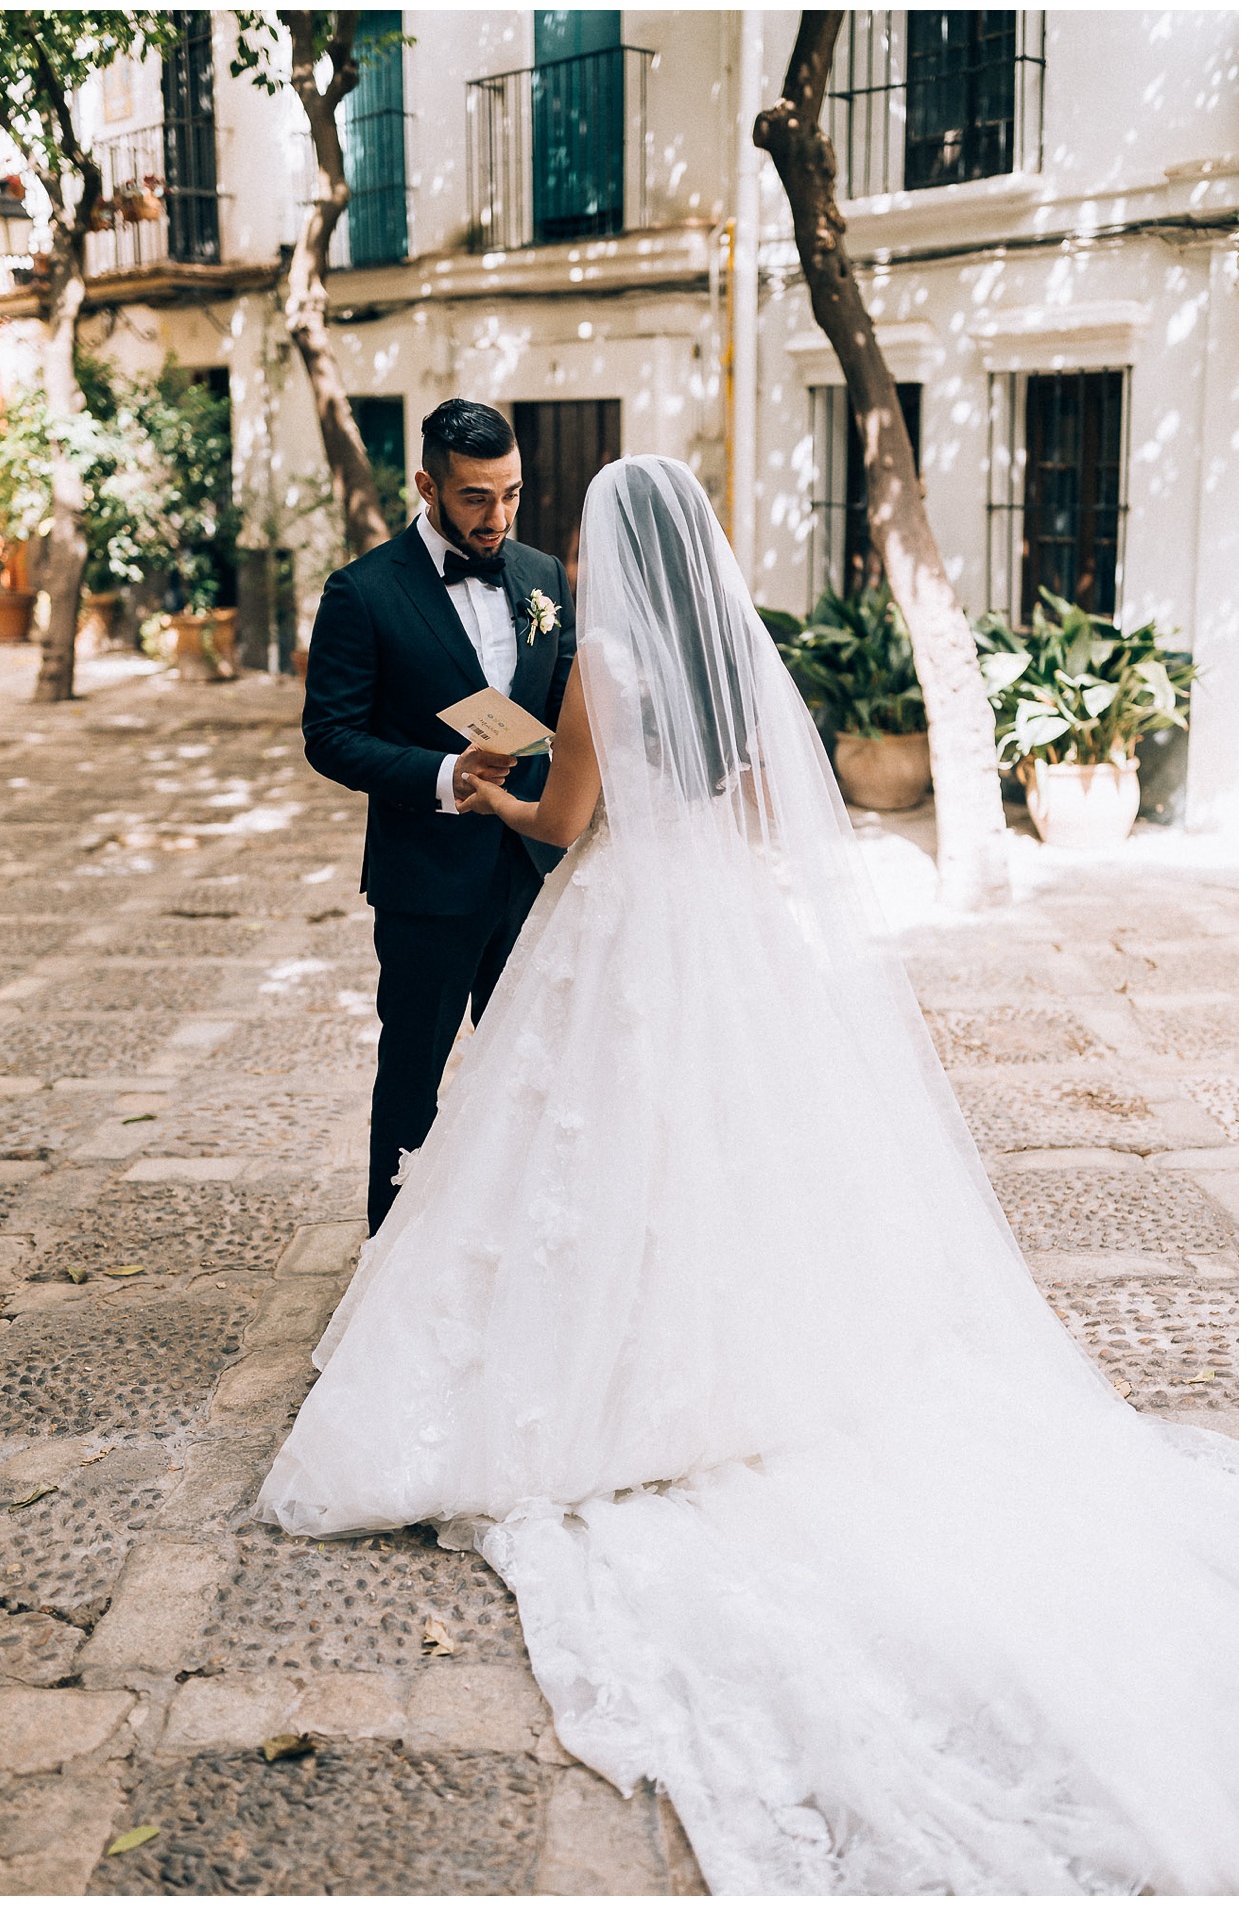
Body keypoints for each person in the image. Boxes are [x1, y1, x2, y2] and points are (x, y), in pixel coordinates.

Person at [259, 458, 1235, 1897]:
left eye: (580, 529)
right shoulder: (739, 654)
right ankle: (757, 1346)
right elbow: (787, 816)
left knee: (588, 1141)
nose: (561, 548)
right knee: (733, 1148)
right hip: (728, 931)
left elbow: (565, 824)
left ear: (613, 549)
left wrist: (489, 782)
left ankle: (622, 1356)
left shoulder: (597, 661)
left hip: (620, 929)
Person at [300, 399, 577, 1235]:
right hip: (426, 880)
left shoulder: (542, 578)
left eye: (512, 495)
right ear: (427, 484)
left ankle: (515, 1246)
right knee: (413, 1075)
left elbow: (565, 702)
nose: (498, 518)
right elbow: (331, 737)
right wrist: (441, 774)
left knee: (531, 1071)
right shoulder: (363, 592)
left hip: (534, 871)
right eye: (475, 499)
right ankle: (389, 1264)